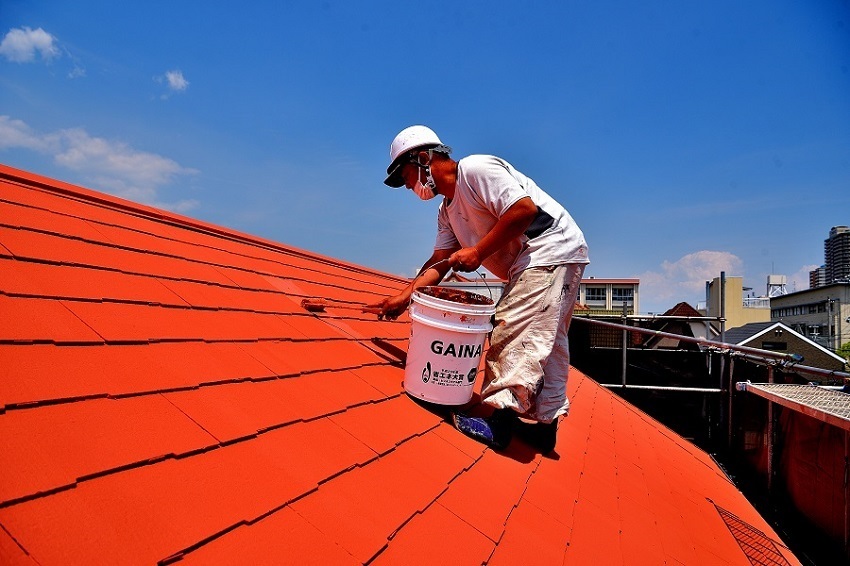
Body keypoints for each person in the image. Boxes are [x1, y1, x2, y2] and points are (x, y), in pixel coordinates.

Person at [371, 125, 589, 454]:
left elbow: (523, 211)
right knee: (548, 341)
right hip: (552, 257)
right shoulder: (447, 212)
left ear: (425, 158)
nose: (409, 188)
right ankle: (545, 427)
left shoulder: (475, 170)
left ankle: (499, 422)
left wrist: (477, 252)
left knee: (512, 325)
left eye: (407, 177)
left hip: (550, 249)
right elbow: (440, 262)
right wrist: (406, 296)